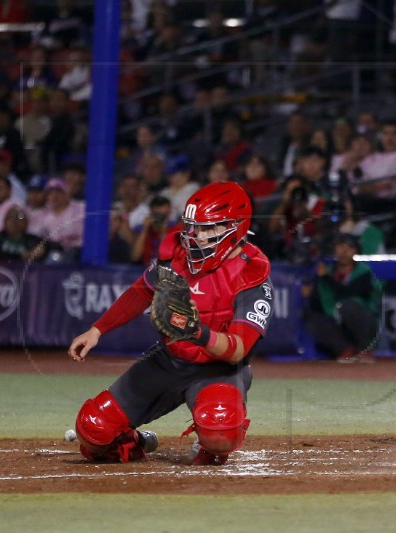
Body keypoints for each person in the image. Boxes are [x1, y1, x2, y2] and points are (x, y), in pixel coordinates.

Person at [67, 182, 273, 466]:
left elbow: (237, 350)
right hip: (169, 359)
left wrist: (195, 331)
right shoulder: (177, 254)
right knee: (93, 429)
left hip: (219, 370)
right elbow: (141, 291)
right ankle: (139, 441)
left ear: (235, 227)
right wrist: (97, 329)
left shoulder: (252, 272)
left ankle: (208, 447)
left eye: (207, 228)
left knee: (220, 428)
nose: (196, 237)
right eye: (193, 227)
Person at [302, 232, 381, 364]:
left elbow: (347, 293)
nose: (344, 251)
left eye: (349, 248)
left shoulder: (363, 272)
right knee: (310, 316)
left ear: (356, 251)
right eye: (340, 247)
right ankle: (345, 349)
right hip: (337, 323)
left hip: (364, 324)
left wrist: (325, 278)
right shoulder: (328, 270)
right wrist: (311, 292)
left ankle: (365, 350)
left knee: (347, 306)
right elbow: (318, 303)